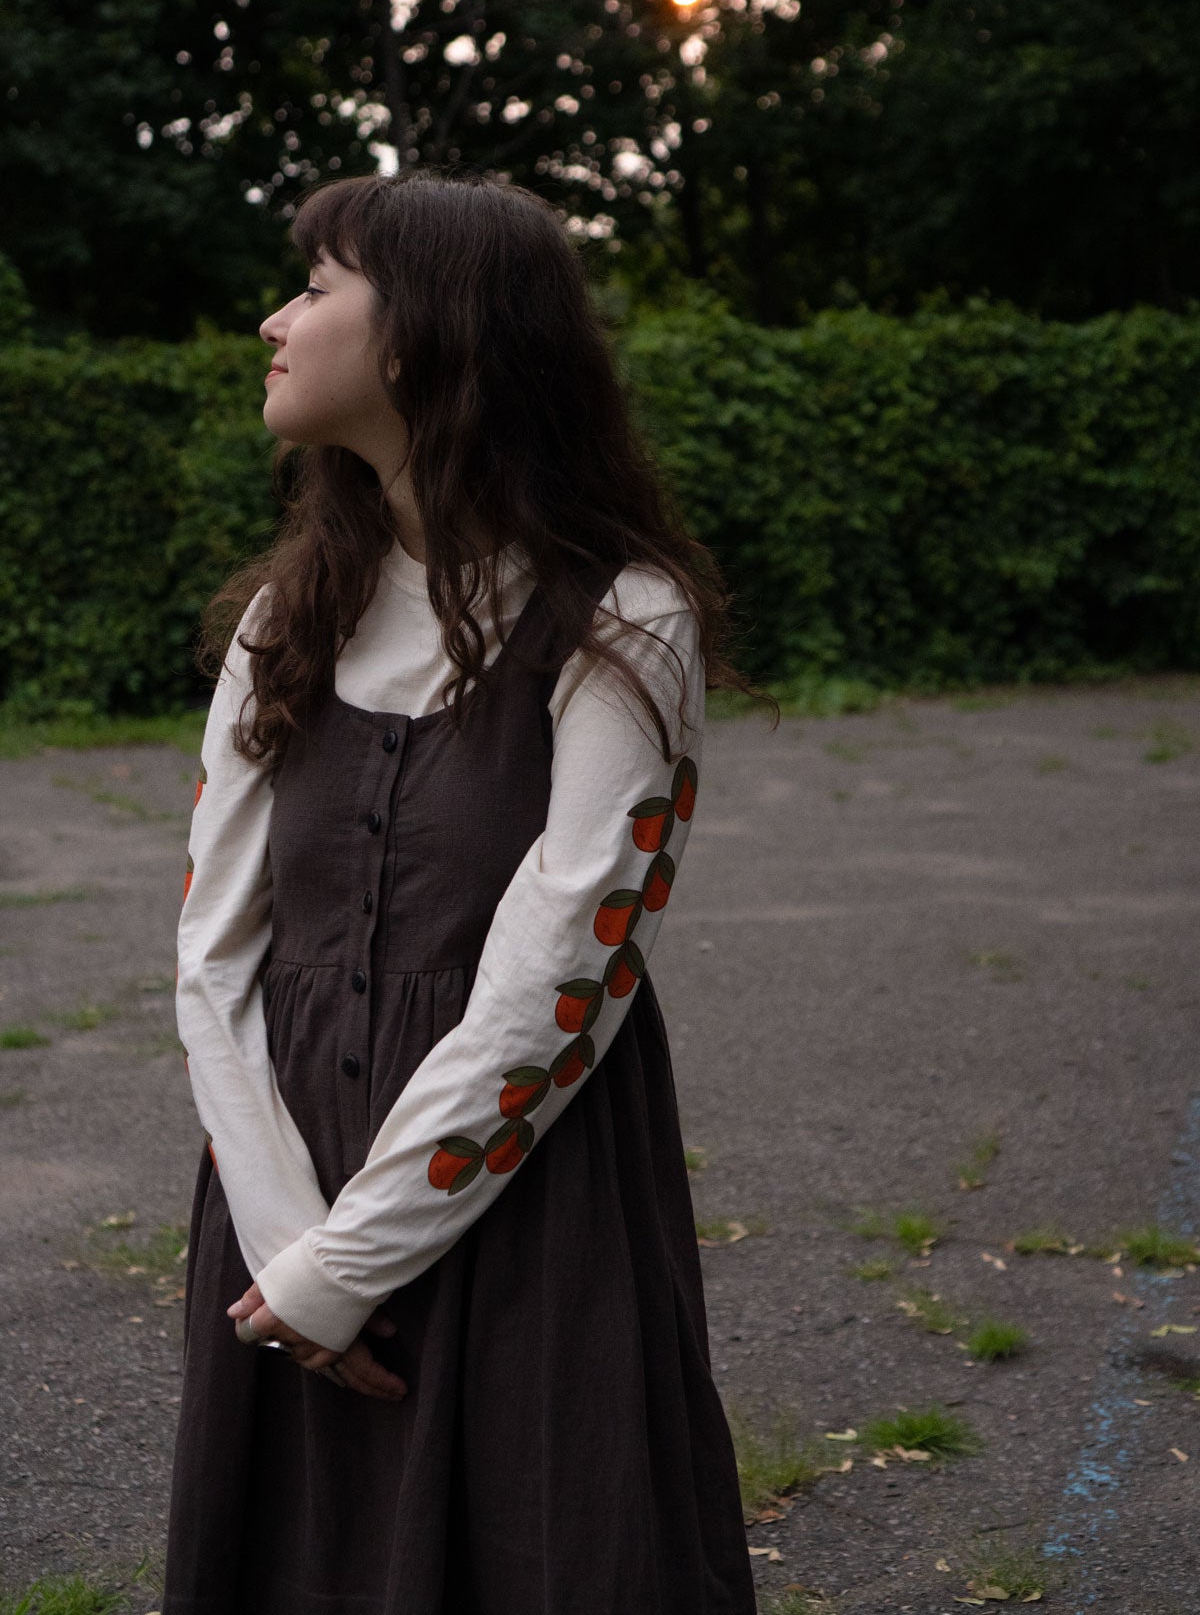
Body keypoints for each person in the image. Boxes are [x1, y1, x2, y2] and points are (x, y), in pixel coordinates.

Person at [161, 167, 777, 1614]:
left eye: (316, 287)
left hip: (530, 1204)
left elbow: (565, 971)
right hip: (282, 1204)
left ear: (431, 332)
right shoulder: (283, 620)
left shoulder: (625, 619)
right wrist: (288, 1253)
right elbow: (211, 957)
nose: (276, 319)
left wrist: (353, 1256)